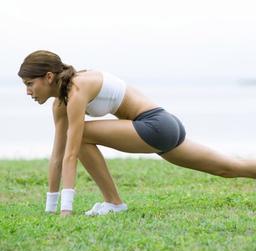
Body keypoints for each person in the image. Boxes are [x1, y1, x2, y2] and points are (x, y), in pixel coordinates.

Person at [18, 50, 256, 216]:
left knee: (78, 135)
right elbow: (58, 156)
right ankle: (112, 202)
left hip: (156, 125)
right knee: (228, 168)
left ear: (48, 77)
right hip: (160, 130)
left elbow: (72, 153)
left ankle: (114, 203)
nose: (28, 91)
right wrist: (50, 208)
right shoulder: (60, 104)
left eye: (30, 83)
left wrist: (66, 210)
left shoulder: (78, 88)